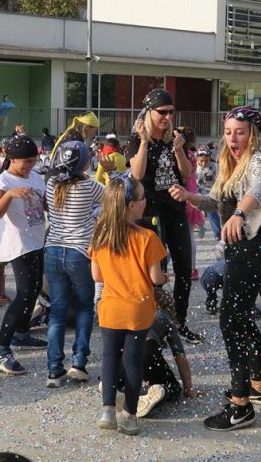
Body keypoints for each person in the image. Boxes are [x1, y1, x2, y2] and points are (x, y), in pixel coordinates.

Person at [169, 105, 261, 432]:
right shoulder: (230, 164)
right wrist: (190, 196)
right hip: (242, 249)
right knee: (242, 319)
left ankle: (240, 405)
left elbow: (258, 192)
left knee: (231, 322)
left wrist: (239, 215)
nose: (233, 138)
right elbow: (217, 203)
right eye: (229, 132)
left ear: (253, 134)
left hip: (254, 247)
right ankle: (259, 387)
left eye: (240, 132)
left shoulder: (260, 160)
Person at [91, 175, 168, 436]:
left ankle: (107, 409)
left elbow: (97, 276)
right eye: (142, 198)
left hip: (110, 306)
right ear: (131, 205)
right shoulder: (147, 237)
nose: (146, 201)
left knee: (109, 357)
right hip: (138, 307)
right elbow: (155, 278)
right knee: (133, 360)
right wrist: (165, 278)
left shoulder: (100, 235)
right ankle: (130, 415)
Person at [126, 88, 201, 343]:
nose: (167, 117)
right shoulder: (137, 138)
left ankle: (180, 322)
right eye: (162, 112)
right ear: (149, 112)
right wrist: (144, 142)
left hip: (176, 210)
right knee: (155, 272)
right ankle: (154, 324)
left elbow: (186, 173)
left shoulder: (175, 137)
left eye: (171, 112)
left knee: (184, 268)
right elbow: (136, 175)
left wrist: (179, 150)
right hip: (150, 213)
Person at [0, 135, 47, 375]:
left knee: (34, 289)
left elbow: (43, 203)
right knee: (23, 293)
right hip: (18, 243)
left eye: (33, 160)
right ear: (12, 158)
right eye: (26, 161)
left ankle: (21, 333)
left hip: (37, 239)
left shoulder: (36, 176)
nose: (30, 165)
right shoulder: (2, 181)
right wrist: (10, 195)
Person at [44, 141, 103, 387]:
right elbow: (115, 196)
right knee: (84, 307)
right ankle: (78, 363)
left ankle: (54, 370)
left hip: (53, 249)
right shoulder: (89, 186)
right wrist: (110, 172)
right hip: (79, 252)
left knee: (57, 311)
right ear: (85, 163)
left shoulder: (51, 184)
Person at [134, 288, 201, 418]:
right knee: (174, 389)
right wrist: (189, 389)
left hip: (124, 351)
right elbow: (180, 357)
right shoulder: (165, 317)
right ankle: (157, 393)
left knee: (129, 372)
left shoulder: (135, 311)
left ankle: (114, 385)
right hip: (146, 350)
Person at [194, 145, 221, 241]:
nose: (203, 163)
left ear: (210, 157)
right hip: (197, 192)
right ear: (197, 158)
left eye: (206, 161)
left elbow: (218, 181)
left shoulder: (214, 166)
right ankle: (200, 225)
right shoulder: (193, 166)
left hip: (210, 193)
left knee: (212, 213)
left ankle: (218, 234)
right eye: (201, 161)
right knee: (196, 210)